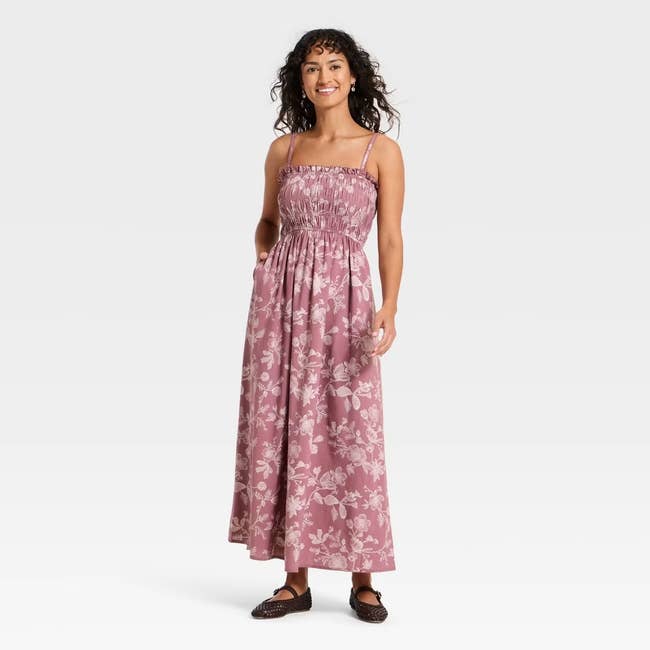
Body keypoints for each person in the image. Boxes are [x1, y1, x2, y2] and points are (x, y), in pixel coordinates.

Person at [227, 28, 404, 623]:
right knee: (286, 427)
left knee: (351, 431)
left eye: (334, 65)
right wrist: (265, 259)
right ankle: (295, 579)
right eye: (311, 67)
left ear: (353, 75)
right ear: (299, 80)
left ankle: (364, 580)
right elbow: (266, 221)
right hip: (280, 305)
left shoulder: (379, 151)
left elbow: (390, 236)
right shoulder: (285, 150)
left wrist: (390, 305)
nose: (323, 76)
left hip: (347, 303)